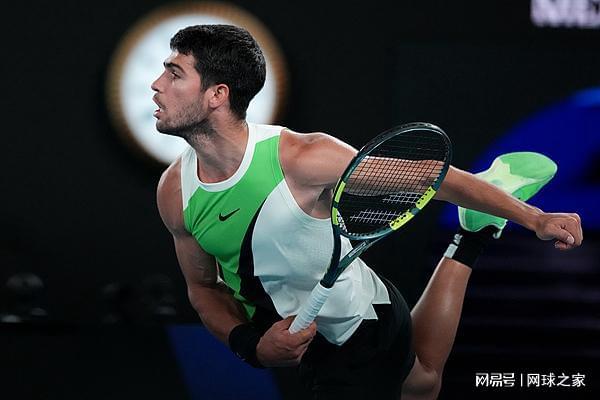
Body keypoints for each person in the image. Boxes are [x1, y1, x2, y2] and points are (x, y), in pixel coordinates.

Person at [153, 25, 583, 400]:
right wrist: (251, 345)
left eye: (174, 74)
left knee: (418, 383)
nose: (156, 85)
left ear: (218, 95)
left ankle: (475, 232)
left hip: (358, 326)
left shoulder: (302, 158)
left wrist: (536, 218)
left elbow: (431, 178)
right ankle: (473, 237)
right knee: (421, 384)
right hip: (287, 330)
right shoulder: (175, 190)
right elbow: (203, 288)